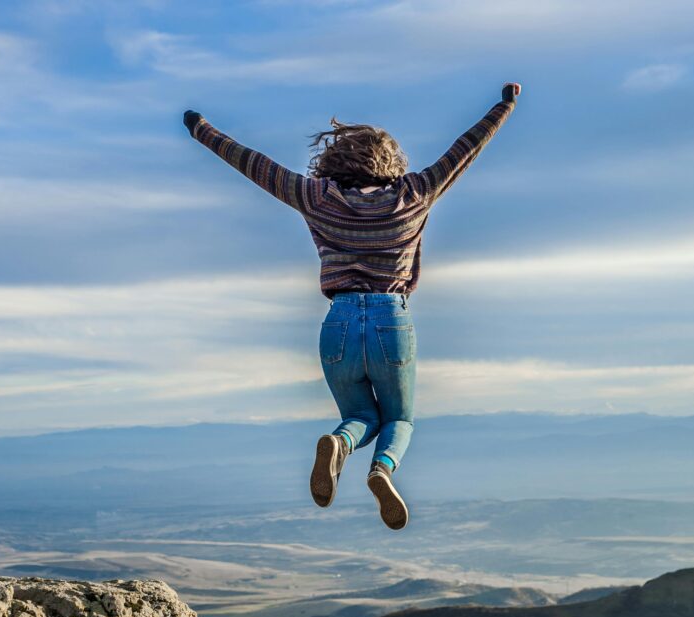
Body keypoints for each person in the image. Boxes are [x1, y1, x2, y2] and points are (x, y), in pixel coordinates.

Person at [184, 82, 521, 530]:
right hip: (390, 318)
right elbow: (464, 149)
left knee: (360, 415)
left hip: (338, 323)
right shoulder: (414, 194)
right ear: (391, 163)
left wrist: (201, 129)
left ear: (333, 162)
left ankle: (341, 444)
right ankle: (381, 471)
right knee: (399, 418)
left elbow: (254, 164)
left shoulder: (316, 197)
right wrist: (504, 105)